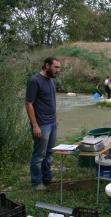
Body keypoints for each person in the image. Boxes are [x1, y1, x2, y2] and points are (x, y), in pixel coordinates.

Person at [25, 57, 61, 191]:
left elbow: (52, 100)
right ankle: (36, 183)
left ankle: (47, 179)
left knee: (49, 154)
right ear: (47, 65)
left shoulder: (51, 80)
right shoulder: (34, 81)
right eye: (56, 67)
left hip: (52, 123)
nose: (58, 70)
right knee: (39, 155)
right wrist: (35, 125)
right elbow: (29, 103)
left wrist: (56, 116)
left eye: (59, 68)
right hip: (42, 125)